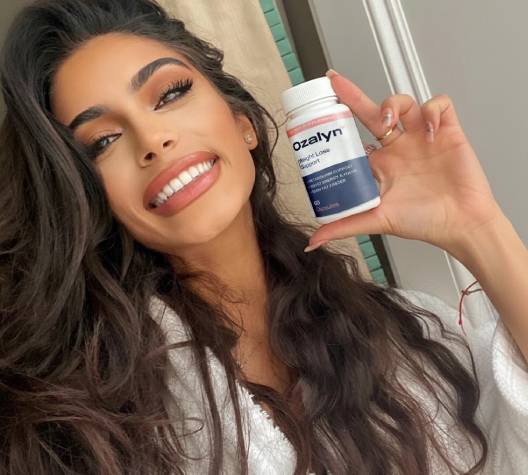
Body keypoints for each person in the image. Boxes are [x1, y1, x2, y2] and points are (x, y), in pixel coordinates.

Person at [0, 0, 527, 473]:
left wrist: (477, 229)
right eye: (102, 141)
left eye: (170, 94)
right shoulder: (86, 423)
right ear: (87, 196)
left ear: (243, 123)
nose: (153, 140)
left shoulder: (404, 336)